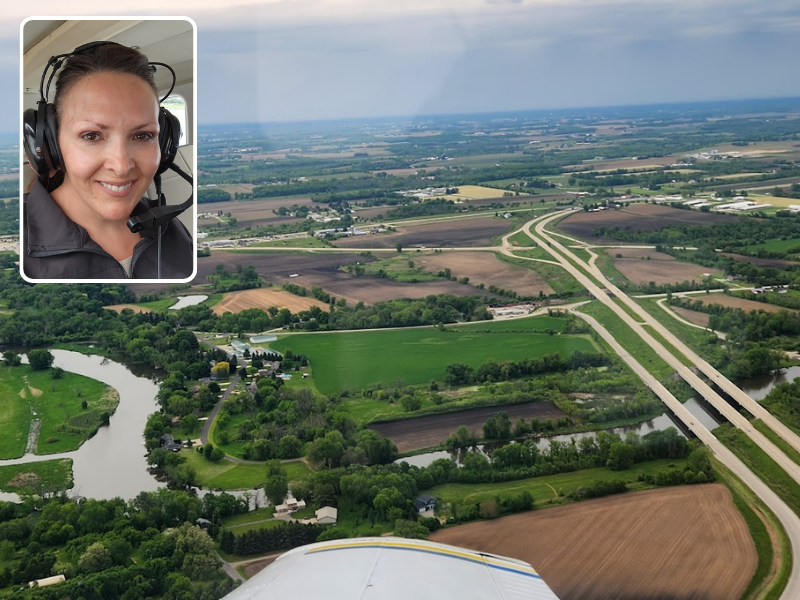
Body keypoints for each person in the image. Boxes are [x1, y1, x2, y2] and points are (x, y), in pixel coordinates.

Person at [22, 43, 193, 280]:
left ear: (164, 145)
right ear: (50, 146)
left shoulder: (170, 229)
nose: (121, 166)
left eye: (143, 136)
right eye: (91, 136)